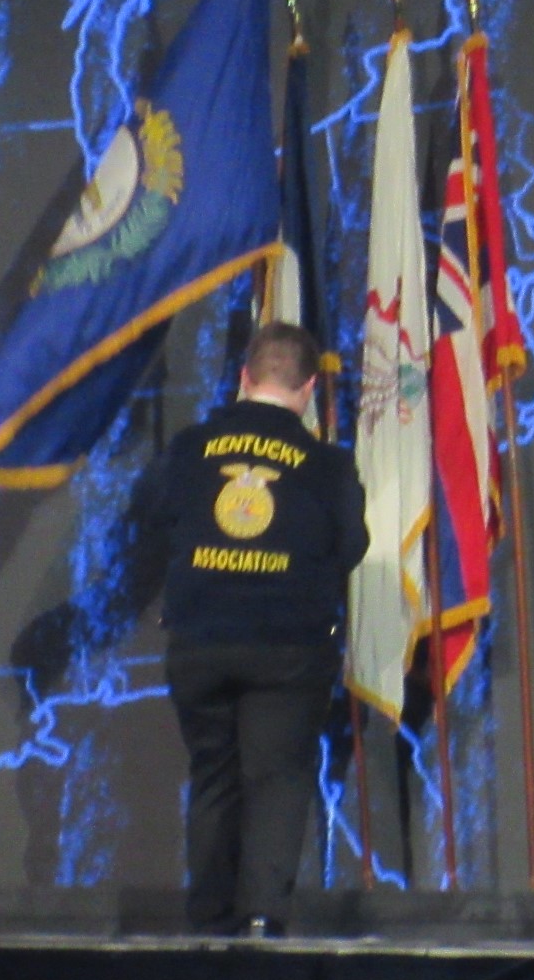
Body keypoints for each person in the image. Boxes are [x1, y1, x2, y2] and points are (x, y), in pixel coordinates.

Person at [133, 322, 367, 938]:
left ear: (245, 377)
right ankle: (262, 917)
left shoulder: (190, 448)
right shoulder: (327, 465)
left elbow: (152, 516)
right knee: (277, 775)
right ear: (310, 388)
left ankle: (208, 917)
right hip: (288, 648)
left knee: (214, 773)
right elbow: (352, 546)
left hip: (201, 640)